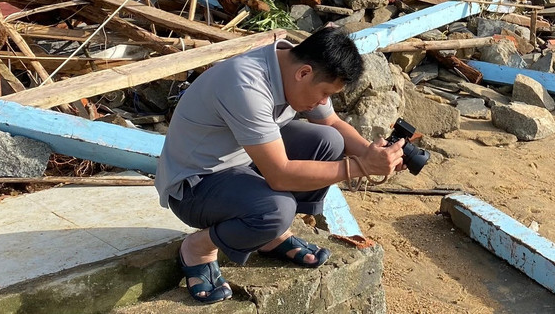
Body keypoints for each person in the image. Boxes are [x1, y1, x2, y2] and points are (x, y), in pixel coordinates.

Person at [155, 27, 405, 304]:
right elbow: (280, 176)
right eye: (323, 94)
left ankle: (273, 237)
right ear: (304, 73)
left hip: (243, 160)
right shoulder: (247, 84)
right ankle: (199, 248)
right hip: (195, 185)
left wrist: (374, 153)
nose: (323, 102)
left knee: (328, 140)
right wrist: (359, 166)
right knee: (277, 209)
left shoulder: (292, 65)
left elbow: (332, 122)